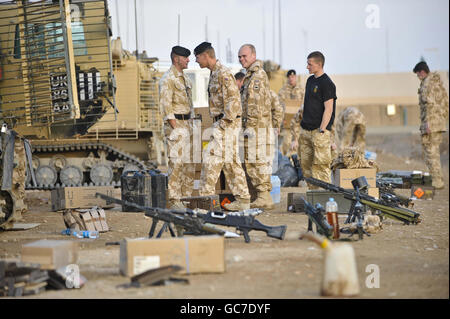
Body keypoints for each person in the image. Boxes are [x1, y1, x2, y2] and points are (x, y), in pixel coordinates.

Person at [194, 42, 251, 211]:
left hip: (226, 124)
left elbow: (233, 102)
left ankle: (205, 202)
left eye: (198, 58)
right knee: (231, 163)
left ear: (205, 56)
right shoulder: (214, 73)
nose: (196, 61)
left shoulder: (222, 73)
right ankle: (243, 200)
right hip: (223, 123)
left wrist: (222, 126)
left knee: (210, 160)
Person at [238, 44, 275, 209]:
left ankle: (264, 196)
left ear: (253, 55)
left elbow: (254, 105)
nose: (242, 59)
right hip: (253, 126)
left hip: (255, 127)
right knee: (253, 160)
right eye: (239, 57)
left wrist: (249, 129)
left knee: (256, 160)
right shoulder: (250, 75)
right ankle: (259, 195)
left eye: (244, 56)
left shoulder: (257, 76)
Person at [159, 46, 195, 209]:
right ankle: (174, 200)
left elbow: (189, 104)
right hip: (177, 125)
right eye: (185, 57)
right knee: (176, 163)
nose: (188, 60)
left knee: (189, 163)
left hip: (188, 124)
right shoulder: (168, 78)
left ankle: (186, 198)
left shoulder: (184, 78)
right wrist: (175, 127)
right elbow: (166, 107)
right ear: (176, 59)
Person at [299, 51, 337, 186]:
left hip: (319, 132)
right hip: (306, 131)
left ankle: (323, 198)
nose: (307, 67)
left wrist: (322, 130)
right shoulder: (310, 81)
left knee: (320, 167)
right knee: (306, 167)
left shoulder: (327, 83)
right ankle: (313, 197)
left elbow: (329, 109)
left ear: (319, 64)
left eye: (310, 64)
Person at [413, 61, 449, 189]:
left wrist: (428, 123)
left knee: (431, 151)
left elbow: (429, 104)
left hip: (431, 123)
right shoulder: (438, 83)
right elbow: (446, 103)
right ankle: (438, 178)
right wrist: (441, 119)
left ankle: (437, 181)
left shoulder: (427, 84)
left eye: (418, 74)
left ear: (422, 72)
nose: (418, 77)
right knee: (434, 151)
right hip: (438, 123)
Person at [278, 69, 305, 156]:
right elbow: (279, 107)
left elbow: (305, 104)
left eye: (293, 77)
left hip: (299, 124)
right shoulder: (282, 91)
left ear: (295, 77)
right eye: (289, 77)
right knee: (286, 145)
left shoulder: (302, 90)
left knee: (300, 145)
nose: (291, 79)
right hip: (287, 124)